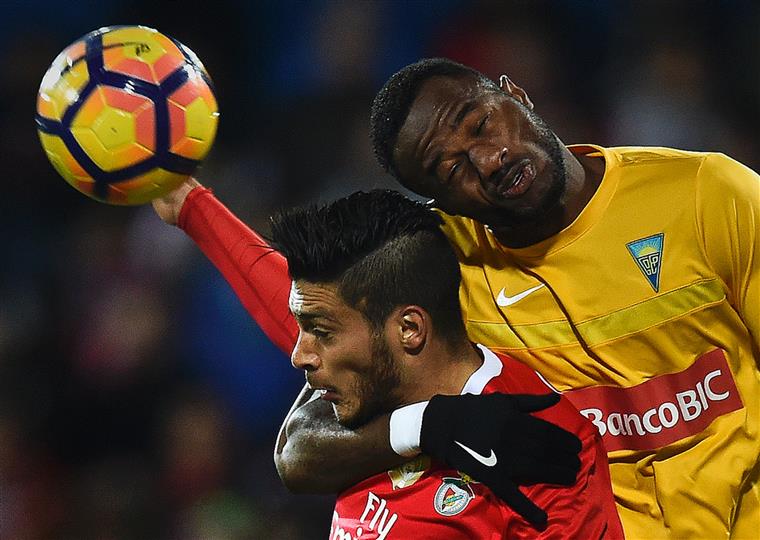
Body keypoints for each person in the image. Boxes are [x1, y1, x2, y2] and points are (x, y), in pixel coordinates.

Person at [153, 57, 759, 538]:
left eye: (481, 123)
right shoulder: (451, 267)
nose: (490, 159)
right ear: (439, 201)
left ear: (514, 94)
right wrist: (192, 207)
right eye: (450, 169)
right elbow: (313, 348)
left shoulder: (707, 194)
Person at [268, 189, 622, 538]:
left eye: (322, 332)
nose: (300, 355)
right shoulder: (368, 387)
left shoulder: (541, 447)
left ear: (409, 329)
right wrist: (426, 424)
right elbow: (294, 450)